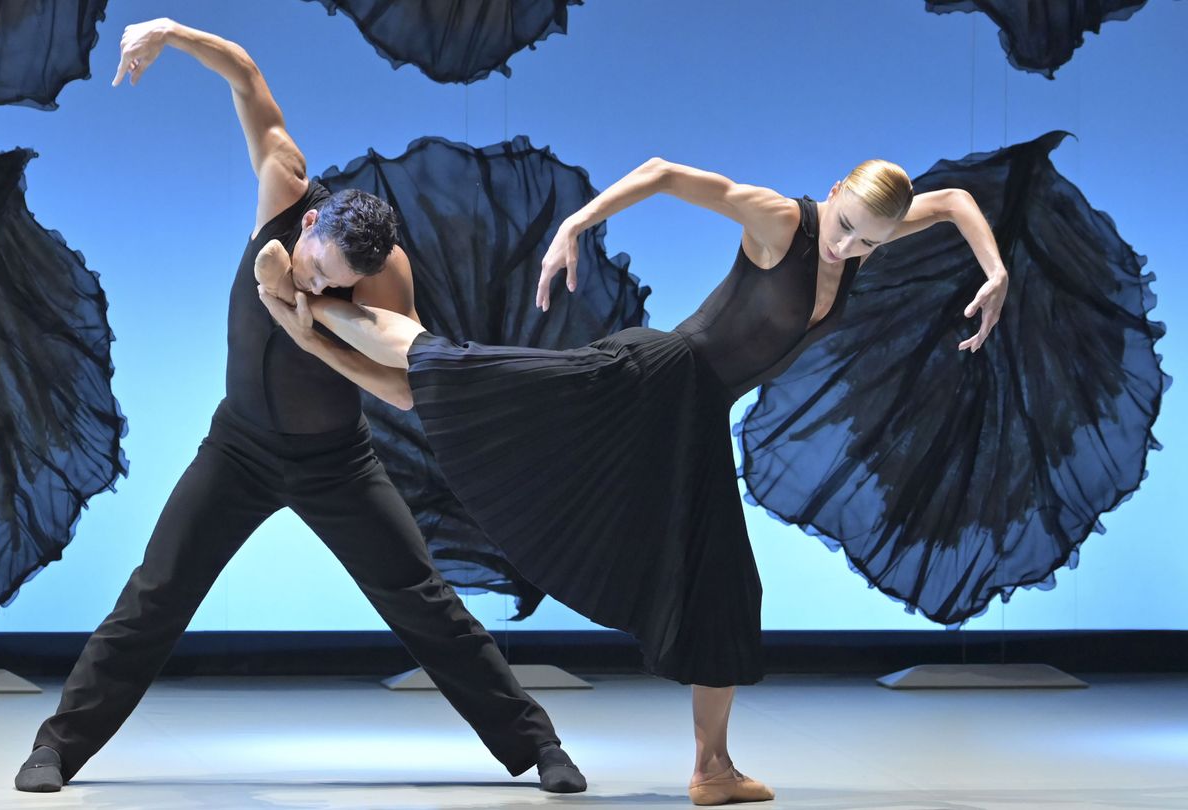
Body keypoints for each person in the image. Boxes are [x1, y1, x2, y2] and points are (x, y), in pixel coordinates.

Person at [256, 156, 1009, 805]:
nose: (848, 246)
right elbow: (666, 174)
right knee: (467, 371)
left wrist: (996, 270)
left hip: (693, 419)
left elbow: (954, 203)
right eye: (845, 224)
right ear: (836, 190)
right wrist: (574, 225)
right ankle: (311, 302)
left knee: (725, 589)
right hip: (652, 377)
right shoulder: (782, 220)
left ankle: (712, 769)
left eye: (869, 242)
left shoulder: (875, 231)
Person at [14, 18, 585, 795]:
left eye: (340, 285)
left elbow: (404, 388)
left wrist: (316, 330)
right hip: (238, 449)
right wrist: (169, 32)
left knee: (424, 604)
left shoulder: (383, 278)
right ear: (309, 223)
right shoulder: (284, 182)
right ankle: (57, 748)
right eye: (320, 271)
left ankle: (539, 746)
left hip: (335, 463)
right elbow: (246, 73)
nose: (323, 286)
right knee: (156, 593)